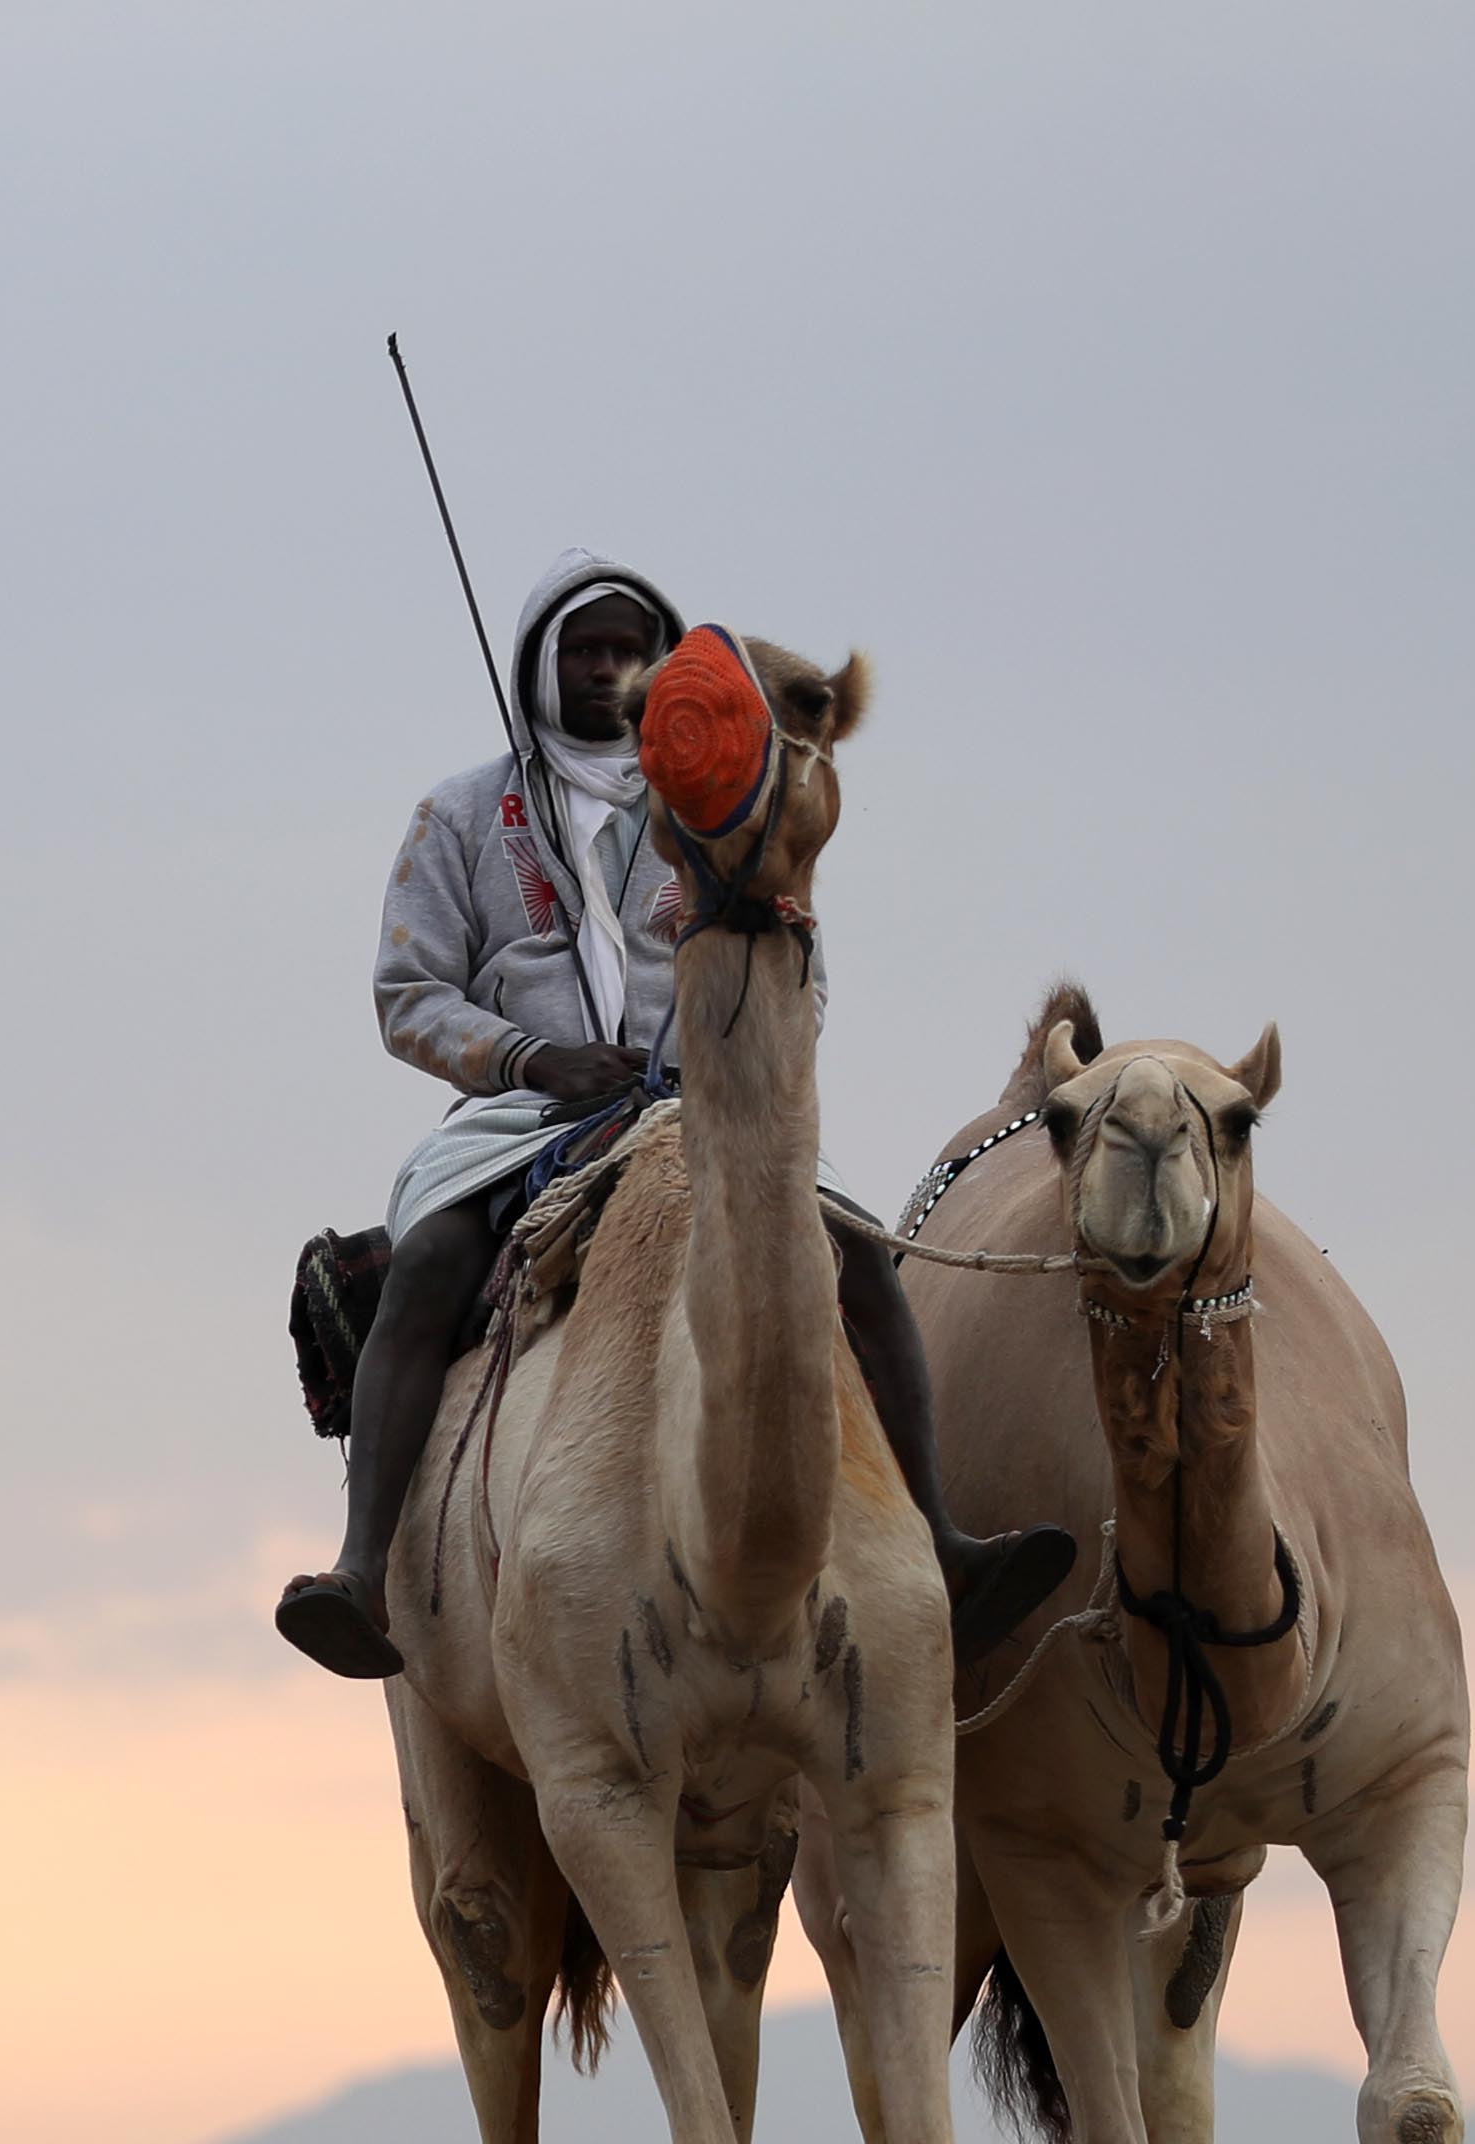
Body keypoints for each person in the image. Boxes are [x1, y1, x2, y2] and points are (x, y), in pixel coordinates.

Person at [272, 552, 1074, 1682]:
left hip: (709, 1110)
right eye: (583, 650)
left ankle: (941, 1539)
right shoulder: (456, 816)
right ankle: (361, 1567)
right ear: (539, 663)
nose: (604, 671)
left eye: (625, 651)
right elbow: (408, 998)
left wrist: (716, 1064)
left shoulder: (719, 807)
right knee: (430, 1262)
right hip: (517, 1119)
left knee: (863, 1267)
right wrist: (536, 1059)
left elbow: (804, 967)